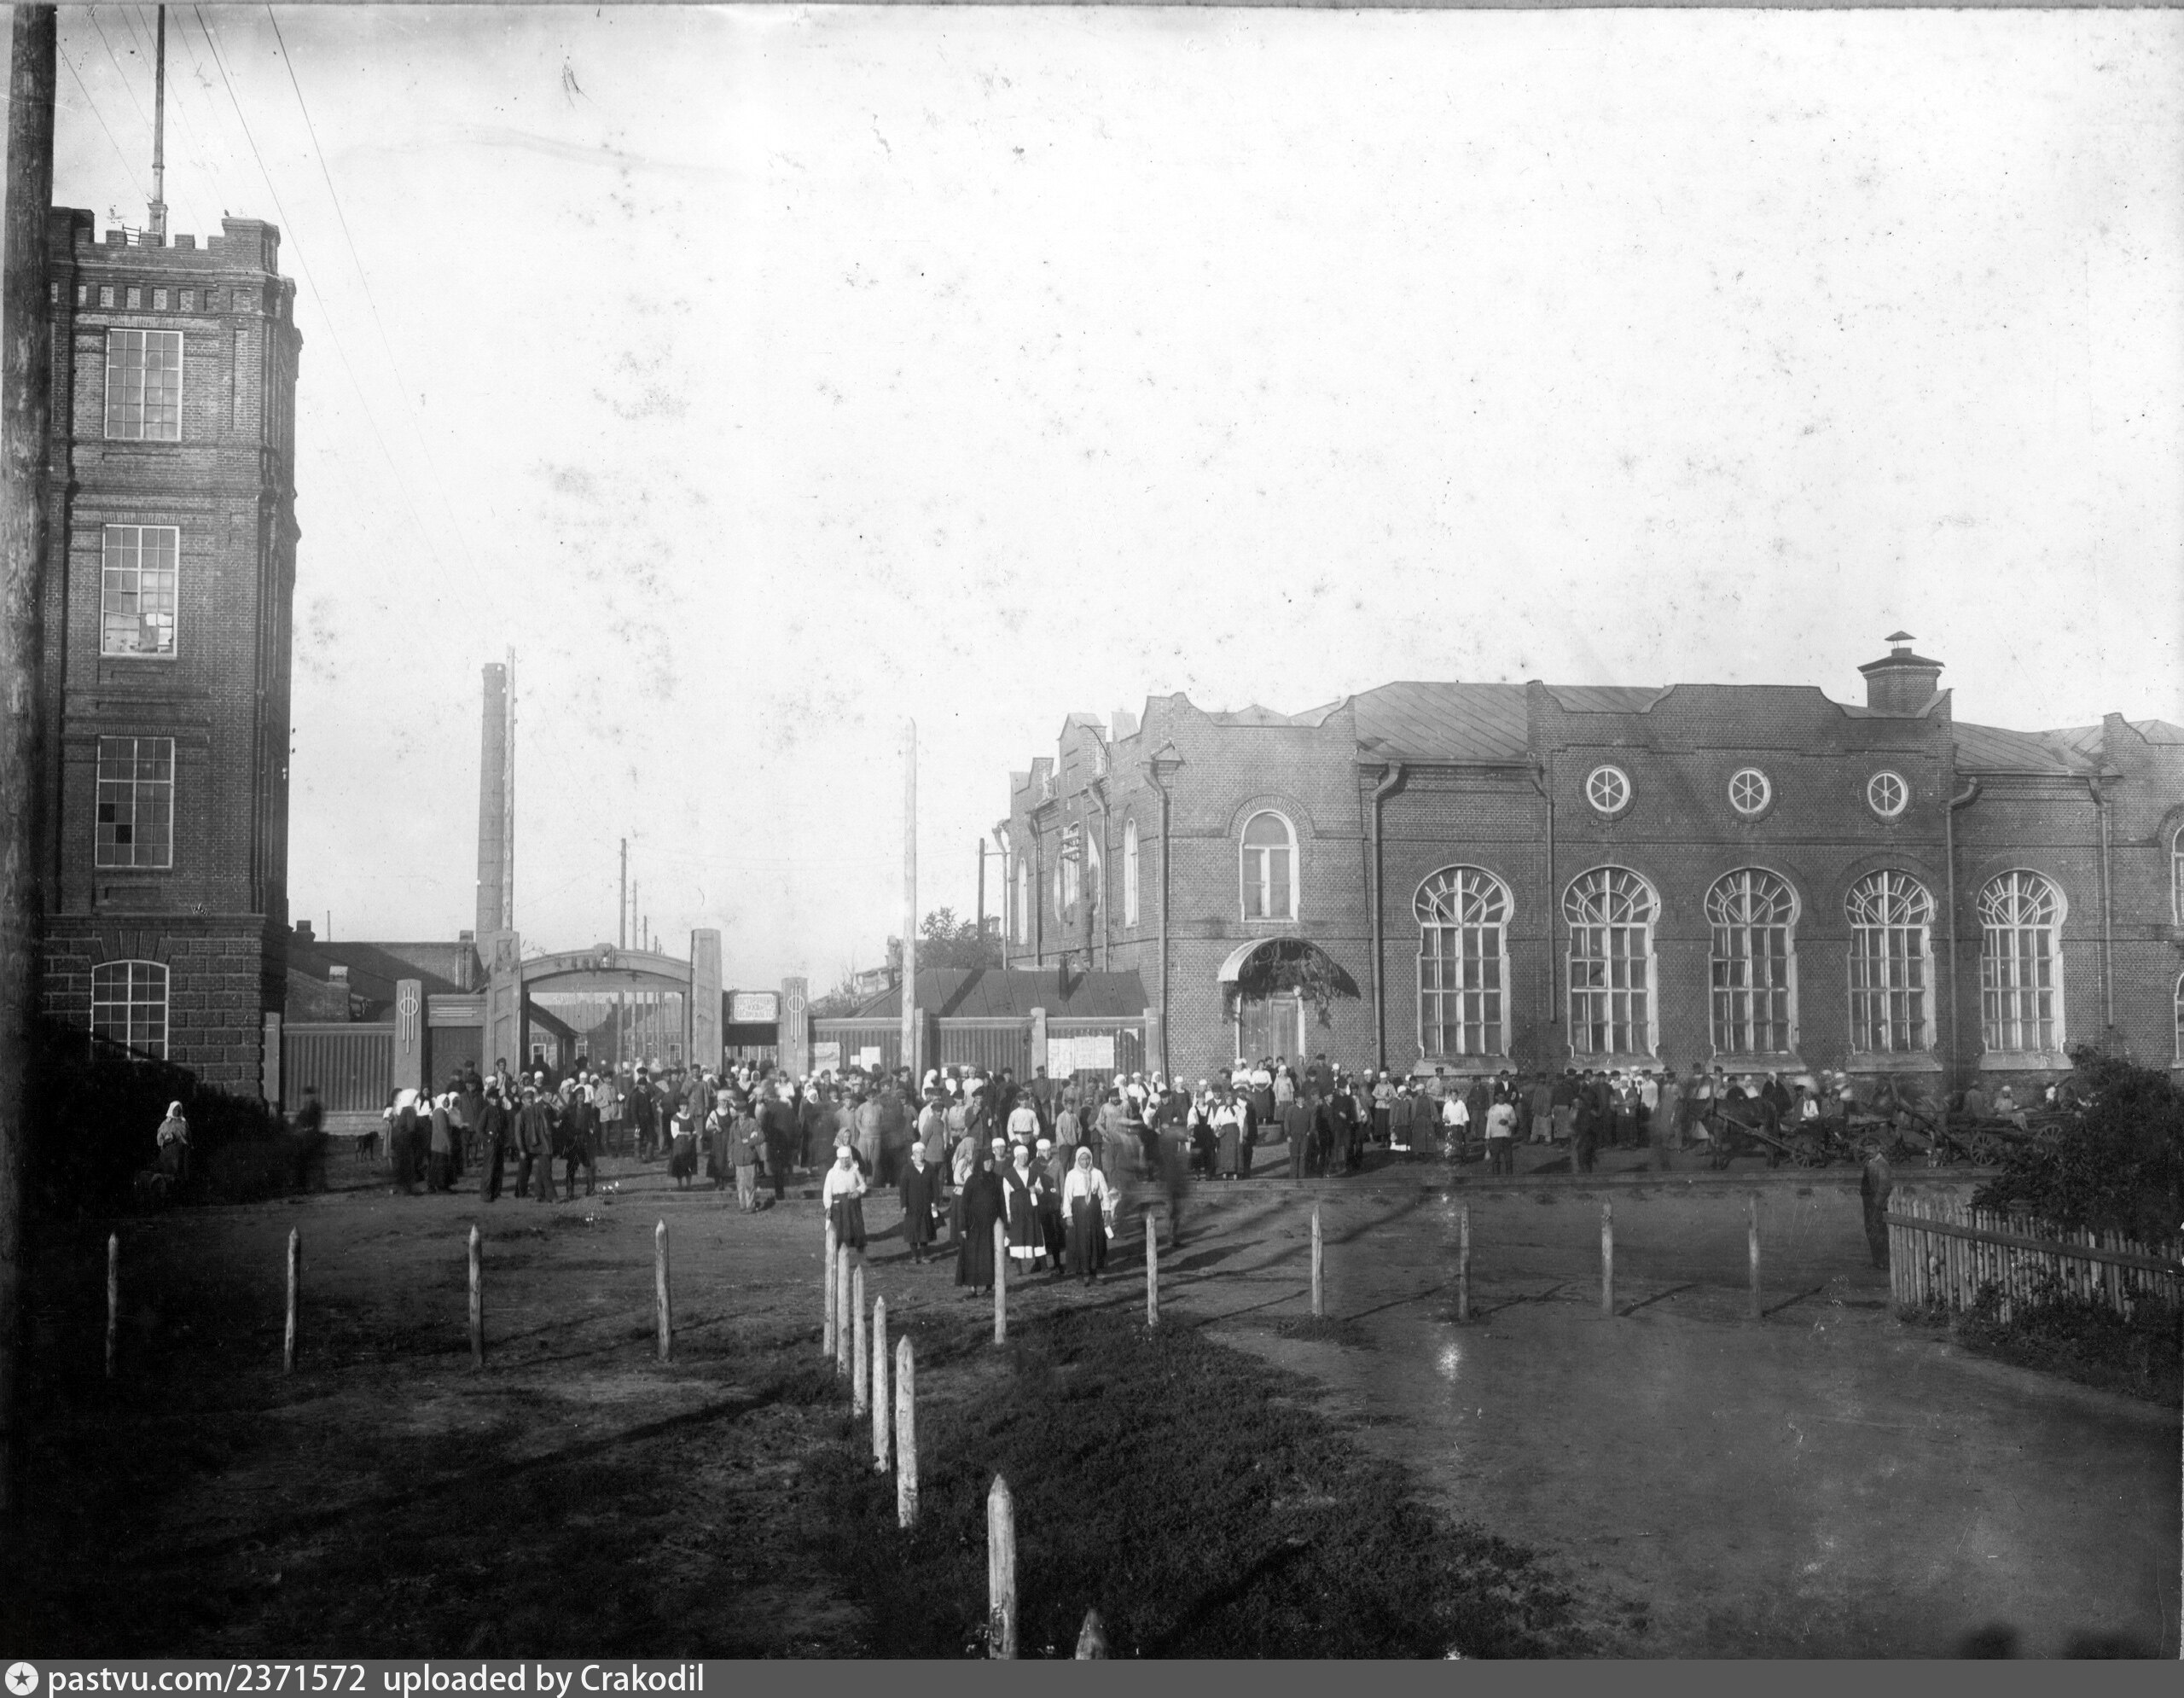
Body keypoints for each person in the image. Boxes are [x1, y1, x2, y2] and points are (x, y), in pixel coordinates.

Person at [956, 1148, 1005, 1296]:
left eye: (992, 1161)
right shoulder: (972, 1180)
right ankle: (973, 1288)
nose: (990, 1164)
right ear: (981, 1162)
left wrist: (1004, 1223)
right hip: (974, 1225)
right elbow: (964, 1204)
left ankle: (989, 1287)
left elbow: (1001, 1202)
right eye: (987, 1161)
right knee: (973, 1256)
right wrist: (963, 1226)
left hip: (991, 1225)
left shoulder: (997, 1179)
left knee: (989, 1255)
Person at [1061, 1147, 1111, 1283]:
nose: (1085, 1162)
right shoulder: (1072, 1175)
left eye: (1087, 1158)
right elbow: (1067, 1195)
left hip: (1094, 1211)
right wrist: (1068, 1215)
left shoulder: (1097, 1173)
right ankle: (1081, 1273)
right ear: (1077, 1160)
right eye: (1082, 1159)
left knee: (1094, 1240)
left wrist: (1107, 1210)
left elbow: (1105, 1192)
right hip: (1078, 1211)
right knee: (1080, 1240)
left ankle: (1093, 1272)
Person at [1002, 1143, 1045, 1274]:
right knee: (1018, 1235)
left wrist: (1036, 1189)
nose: (1023, 1158)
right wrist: (1008, 1213)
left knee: (1035, 1233)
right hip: (1017, 1208)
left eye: (1025, 1156)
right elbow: (1006, 1195)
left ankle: (1043, 1266)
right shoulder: (1009, 1174)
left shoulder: (1033, 1172)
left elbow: (1041, 1189)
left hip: (1031, 1209)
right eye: (1021, 1156)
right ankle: (1019, 1269)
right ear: (1016, 1157)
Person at [901, 1139, 943, 1261]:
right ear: (913, 1154)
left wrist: (935, 1203)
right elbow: (903, 1189)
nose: (920, 1155)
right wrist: (904, 1205)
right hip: (912, 1206)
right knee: (913, 1230)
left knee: (925, 1230)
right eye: (918, 1152)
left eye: (922, 1152)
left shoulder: (930, 1168)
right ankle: (914, 1256)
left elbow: (936, 1188)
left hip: (926, 1205)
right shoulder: (907, 1169)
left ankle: (924, 1255)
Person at [823, 1144, 868, 1255]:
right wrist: (828, 1207)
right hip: (838, 1206)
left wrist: (858, 1191)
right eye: (842, 1159)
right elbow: (827, 1192)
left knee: (857, 1231)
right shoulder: (832, 1173)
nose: (845, 1161)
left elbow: (863, 1185)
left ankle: (861, 1257)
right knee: (839, 1233)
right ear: (839, 1159)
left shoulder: (854, 1170)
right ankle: (837, 1257)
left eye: (847, 1158)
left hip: (853, 1204)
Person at [477, 1084, 512, 1202]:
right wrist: (487, 1139)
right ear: (488, 1099)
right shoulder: (486, 1111)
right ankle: (485, 1193)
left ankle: (496, 1191)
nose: (495, 1100)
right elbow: (479, 1129)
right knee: (489, 1168)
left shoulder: (501, 1111)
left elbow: (505, 1126)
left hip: (500, 1142)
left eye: (496, 1098)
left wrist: (506, 1140)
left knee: (499, 1168)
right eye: (492, 1098)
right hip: (490, 1143)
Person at [1860, 1147, 1893, 1271]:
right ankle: (1878, 1261)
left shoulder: (1882, 1164)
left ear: (1876, 1149)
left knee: (1878, 1231)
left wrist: (1876, 1203)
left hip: (1875, 1204)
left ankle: (1883, 1261)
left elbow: (1885, 1186)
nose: (1866, 1151)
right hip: (1870, 1202)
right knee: (1872, 1230)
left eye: (1870, 1148)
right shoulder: (1872, 1163)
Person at [290, 1086, 328, 1193]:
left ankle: (314, 1186)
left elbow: (317, 1121)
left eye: (310, 1095)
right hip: (305, 1136)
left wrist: (307, 1128)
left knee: (311, 1162)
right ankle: (302, 1186)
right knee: (301, 1161)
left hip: (312, 1136)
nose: (308, 1097)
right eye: (306, 1095)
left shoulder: (316, 1107)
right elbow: (299, 1119)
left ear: (312, 1096)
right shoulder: (305, 1108)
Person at [1282, 1089, 1316, 1183]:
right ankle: (1293, 1177)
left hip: (1304, 1136)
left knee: (1303, 1156)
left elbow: (1312, 1122)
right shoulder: (1291, 1109)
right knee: (1294, 1156)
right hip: (1294, 1136)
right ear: (1296, 1099)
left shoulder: (1307, 1110)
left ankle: (1301, 1176)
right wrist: (1288, 1135)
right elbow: (1286, 1123)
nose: (1301, 1100)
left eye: (1303, 1098)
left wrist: (1309, 1131)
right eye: (1299, 1099)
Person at [155, 1100, 191, 1189]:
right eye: (175, 1109)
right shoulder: (165, 1123)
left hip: (182, 1150)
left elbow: (189, 1137)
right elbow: (159, 1138)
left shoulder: (184, 1123)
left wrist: (189, 1145)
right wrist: (165, 1141)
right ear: (171, 1110)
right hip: (169, 1150)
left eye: (179, 1110)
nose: (177, 1112)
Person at [1484, 1091, 1517, 1176]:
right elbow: (1489, 1124)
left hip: (1506, 1137)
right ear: (1496, 1097)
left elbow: (1515, 1122)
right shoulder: (1492, 1109)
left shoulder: (1509, 1108)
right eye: (1499, 1097)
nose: (1501, 1099)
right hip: (1495, 1137)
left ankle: (1510, 1178)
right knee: (1495, 1159)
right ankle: (1496, 1178)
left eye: (1503, 1097)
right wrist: (1487, 1138)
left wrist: (1507, 1122)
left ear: (1505, 1098)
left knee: (1508, 1159)